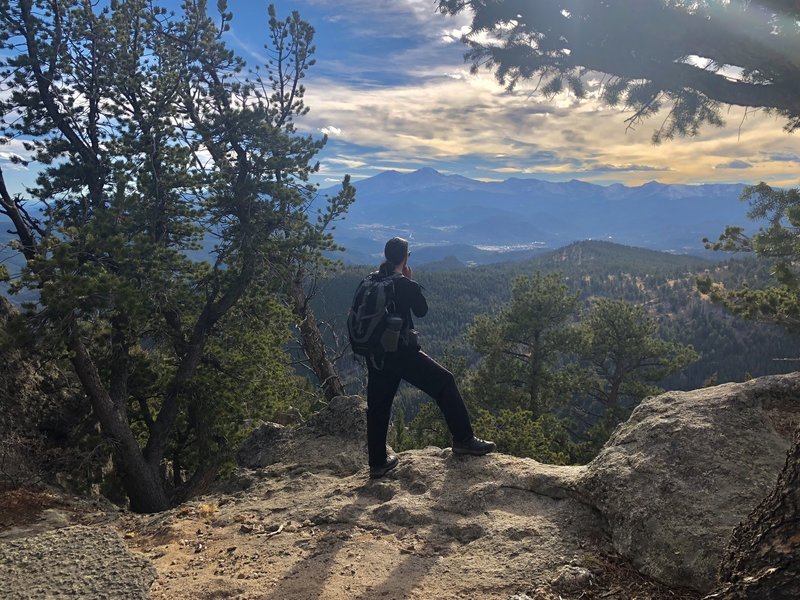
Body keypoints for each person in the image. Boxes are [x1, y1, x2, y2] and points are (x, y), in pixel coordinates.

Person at [366, 236, 495, 478]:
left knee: (378, 406)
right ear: (405, 258)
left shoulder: (371, 280)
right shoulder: (405, 284)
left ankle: (377, 463)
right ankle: (464, 439)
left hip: (375, 354)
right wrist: (409, 280)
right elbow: (422, 311)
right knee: (444, 382)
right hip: (401, 352)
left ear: (386, 256)